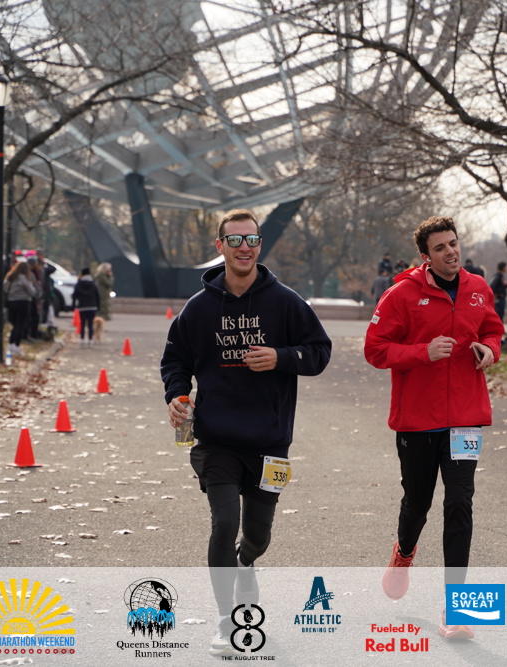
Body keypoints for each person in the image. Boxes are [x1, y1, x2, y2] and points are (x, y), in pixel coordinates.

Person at [161, 209, 332, 656]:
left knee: (257, 536)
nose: (244, 248)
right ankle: (226, 621)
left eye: (251, 240)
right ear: (220, 246)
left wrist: (280, 357)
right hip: (216, 439)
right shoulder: (199, 308)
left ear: (260, 245)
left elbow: (319, 352)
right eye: (234, 240)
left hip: (270, 442)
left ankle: (245, 562)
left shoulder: (286, 302)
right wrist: (177, 395)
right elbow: (175, 360)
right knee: (224, 523)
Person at [364, 215, 504, 641]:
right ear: (425, 256)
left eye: (453, 243)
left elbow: (494, 331)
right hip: (418, 421)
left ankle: (457, 609)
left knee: (460, 503)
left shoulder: (478, 288)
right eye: (440, 247)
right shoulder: (401, 295)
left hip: (465, 418)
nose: (450, 252)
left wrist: (489, 350)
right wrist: (422, 352)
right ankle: (404, 552)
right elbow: (375, 349)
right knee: (418, 503)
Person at [3, 260, 37, 357]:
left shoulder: (10, 277)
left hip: (11, 302)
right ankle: (16, 346)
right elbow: (31, 291)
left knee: (14, 325)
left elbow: (5, 289)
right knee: (20, 325)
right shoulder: (24, 278)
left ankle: (10, 345)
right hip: (23, 303)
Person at [72, 268, 100, 346]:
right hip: (92, 306)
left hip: (82, 306)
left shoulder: (79, 284)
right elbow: (97, 296)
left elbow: (74, 295)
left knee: (82, 324)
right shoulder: (93, 283)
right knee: (90, 324)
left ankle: (82, 340)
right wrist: (98, 306)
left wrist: (73, 306)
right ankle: (90, 340)